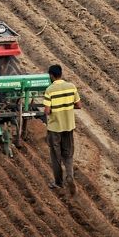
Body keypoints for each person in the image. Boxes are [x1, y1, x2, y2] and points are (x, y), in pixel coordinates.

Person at [43, 64, 82, 194]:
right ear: (61, 74)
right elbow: (78, 105)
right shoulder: (71, 87)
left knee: (55, 155)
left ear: (51, 76)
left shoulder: (50, 90)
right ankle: (70, 177)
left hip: (55, 128)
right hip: (69, 126)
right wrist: (67, 107)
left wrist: (53, 109)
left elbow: (47, 111)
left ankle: (58, 182)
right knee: (68, 154)